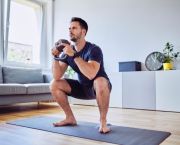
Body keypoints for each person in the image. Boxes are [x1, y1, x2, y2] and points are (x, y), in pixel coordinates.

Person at [50, 17, 112, 133]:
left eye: (74, 28)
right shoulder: (68, 51)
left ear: (83, 32)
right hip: (82, 88)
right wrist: (55, 56)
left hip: (99, 88)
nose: (70, 31)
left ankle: (103, 121)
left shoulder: (93, 49)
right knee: (54, 84)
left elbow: (91, 74)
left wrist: (74, 55)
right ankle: (70, 118)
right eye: (69, 28)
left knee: (100, 81)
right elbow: (56, 76)